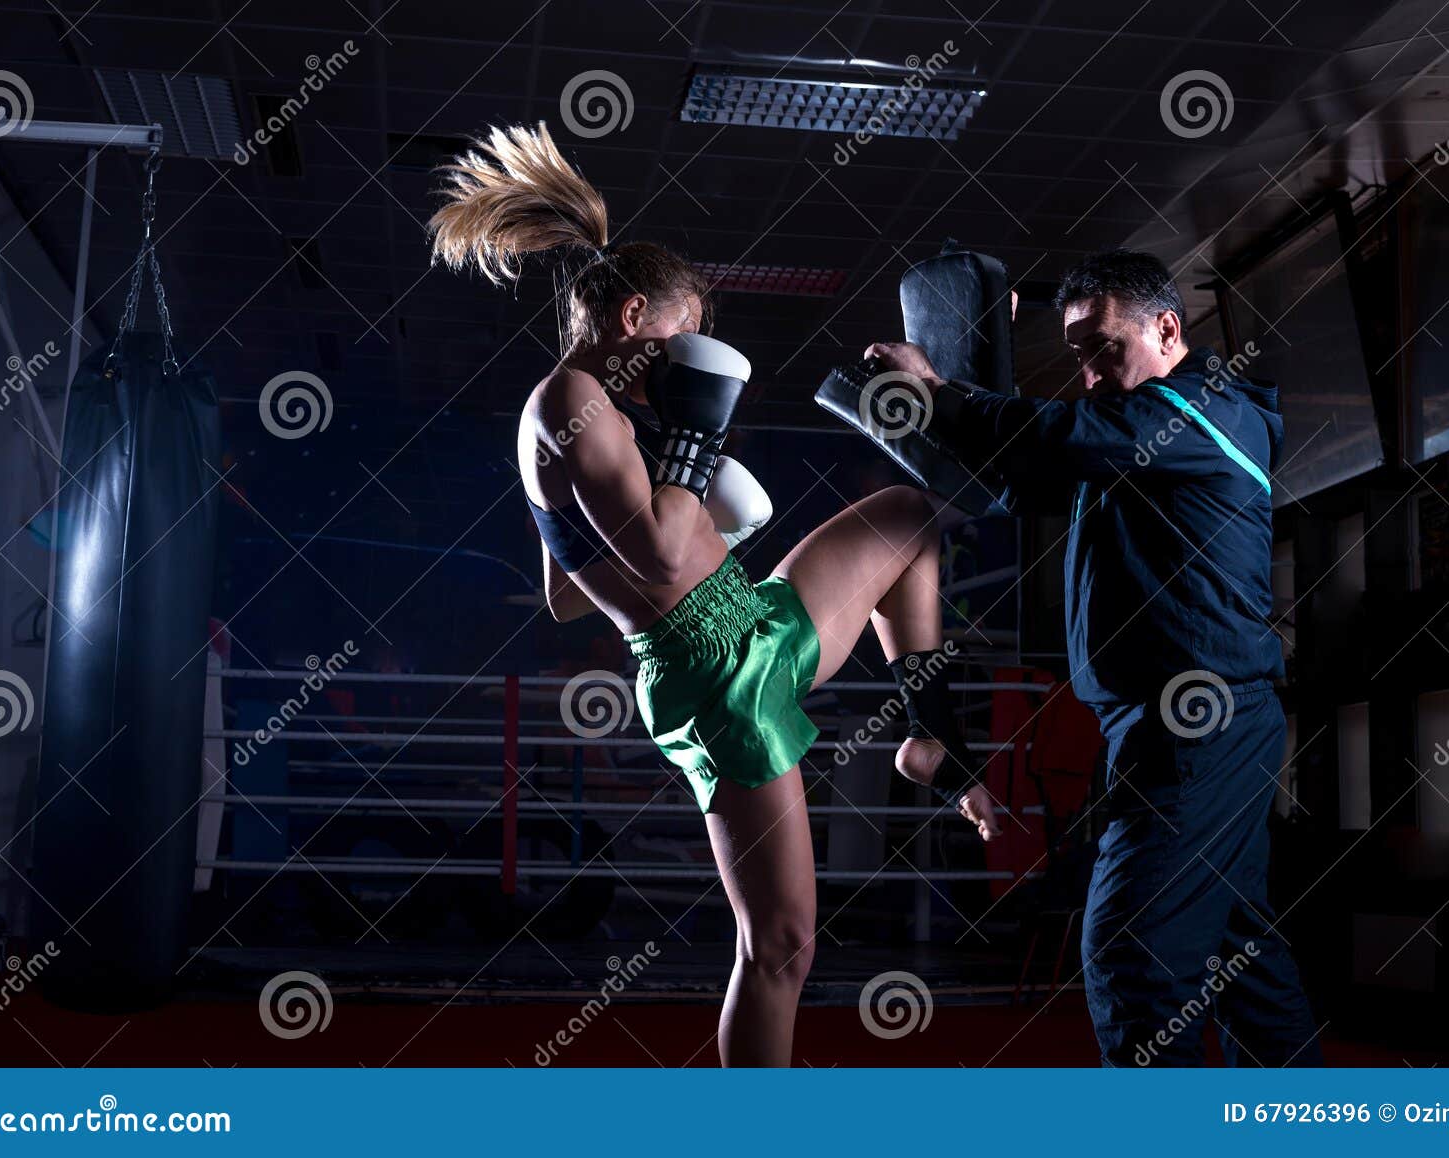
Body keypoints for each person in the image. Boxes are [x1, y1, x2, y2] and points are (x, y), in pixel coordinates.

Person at [425, 122, 999, 1067]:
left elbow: (569, 597)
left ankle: (927, 737)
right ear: (635, 317)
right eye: (685, 336)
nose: (691, 357)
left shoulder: (595, 418)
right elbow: (654, 562)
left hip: (753, 623)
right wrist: (694, 455)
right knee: (780, 946)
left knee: (906, 515)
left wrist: (711, 523)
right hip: (714, 678)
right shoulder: (570, 405)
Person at [862, 248, 1323, 1066]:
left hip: (1201, 725)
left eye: (1106, 348)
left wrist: (943, 394)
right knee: (1238, 958)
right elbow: (1030, 469)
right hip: (1159, 728)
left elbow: (1058, 434)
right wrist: (961, 383)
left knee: (1131, 954)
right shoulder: (1129, 439)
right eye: (1077, 355)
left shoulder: (1210, 411)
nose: (1092, 373)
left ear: (1168, 328)